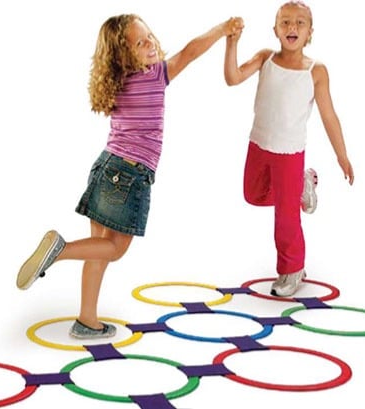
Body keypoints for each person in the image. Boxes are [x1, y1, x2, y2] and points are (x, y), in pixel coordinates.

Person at [16, 14, 244, 339]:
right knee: (114, 249)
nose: (150, 43)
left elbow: (184, 52)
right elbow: (190, 52)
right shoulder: (154, 75)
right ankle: (60, 250)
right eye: (140, 42)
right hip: (130, 174)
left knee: (98, 249)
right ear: (123, 55)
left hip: (106, 166)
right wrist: (222, 30)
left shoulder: (117, 80)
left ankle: (86, 320)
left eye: (149, 35)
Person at [224, 1, 354, 297]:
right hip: (259, 144)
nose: (291, 27)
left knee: (286, 216)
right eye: (285, 22)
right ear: (275, 30)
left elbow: (329, 115)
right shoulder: (265, 58)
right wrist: (232, 43)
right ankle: (301, 186)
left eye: (299, 23)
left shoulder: (316, 71)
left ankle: (292, 268)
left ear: (310, 33)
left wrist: (342, 155)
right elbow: (232, 78)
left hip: (289, 152)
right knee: (253, 194)